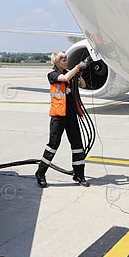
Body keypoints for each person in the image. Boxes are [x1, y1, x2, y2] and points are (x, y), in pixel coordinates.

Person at [35, 52, 90, 187]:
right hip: (58, 116)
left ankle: (79, 175)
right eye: (63, 59)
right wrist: (77, 67)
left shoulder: (70, 73)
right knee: (53, 146)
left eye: (66, 59)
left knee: (78, 146)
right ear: (56, 62)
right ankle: (40, 173)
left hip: (72, 116)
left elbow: (83, 85)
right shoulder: (52, 75)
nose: (66, 61)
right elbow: (64, 79)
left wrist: (79, 74)